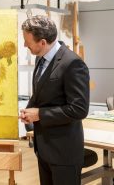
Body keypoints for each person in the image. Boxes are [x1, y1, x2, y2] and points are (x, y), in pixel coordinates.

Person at [19, 15, 89, 185]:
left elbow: (79, 109)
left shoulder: (73, 64)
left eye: (27, 41)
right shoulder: (39, 58)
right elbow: (40, 94)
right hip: (43, 148)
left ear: (42, 42)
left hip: (64, 152)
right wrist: (28, 112)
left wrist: (40, 114)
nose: (24, 45)